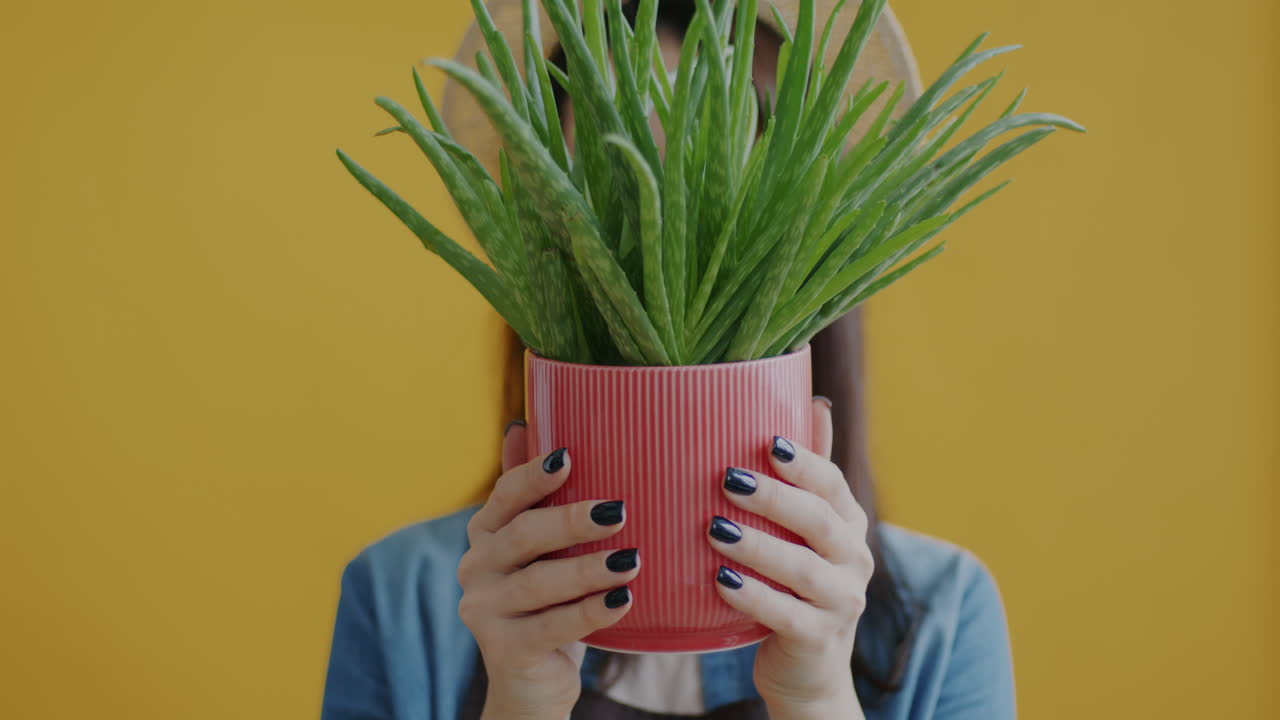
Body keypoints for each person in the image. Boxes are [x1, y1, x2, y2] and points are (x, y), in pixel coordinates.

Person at [321, 2, 1016, 718]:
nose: (660, 222)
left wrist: (817, 696)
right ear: (546, 230)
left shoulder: (944, 613)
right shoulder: (400, 600)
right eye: (614, 172)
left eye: (717, 168)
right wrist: (521, 699)